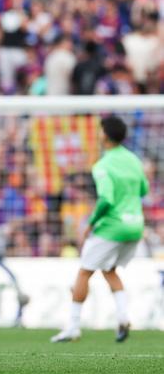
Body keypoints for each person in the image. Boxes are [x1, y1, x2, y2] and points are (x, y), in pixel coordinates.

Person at [51, 116, 149, 343]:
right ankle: (123, 318)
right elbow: (143, 189)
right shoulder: (134, 160)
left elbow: (105, 199)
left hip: (113, 227)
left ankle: (73, 327)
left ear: (104, 134)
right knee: (109, 270)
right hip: (135, 226)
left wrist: (90, 223)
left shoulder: (103, 165)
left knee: (84, 271)